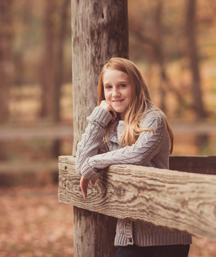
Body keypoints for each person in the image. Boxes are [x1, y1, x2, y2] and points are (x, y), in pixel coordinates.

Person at [75, 57, 191, 257]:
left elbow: (137, 155)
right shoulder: (109, 127)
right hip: (130, 234)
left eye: (122, 85)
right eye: (108, 87)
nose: (115, 93)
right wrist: (98, 118)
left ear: (136, 86)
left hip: (167, 233)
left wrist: (94, 162)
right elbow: (80, 163)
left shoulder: (154, 119)